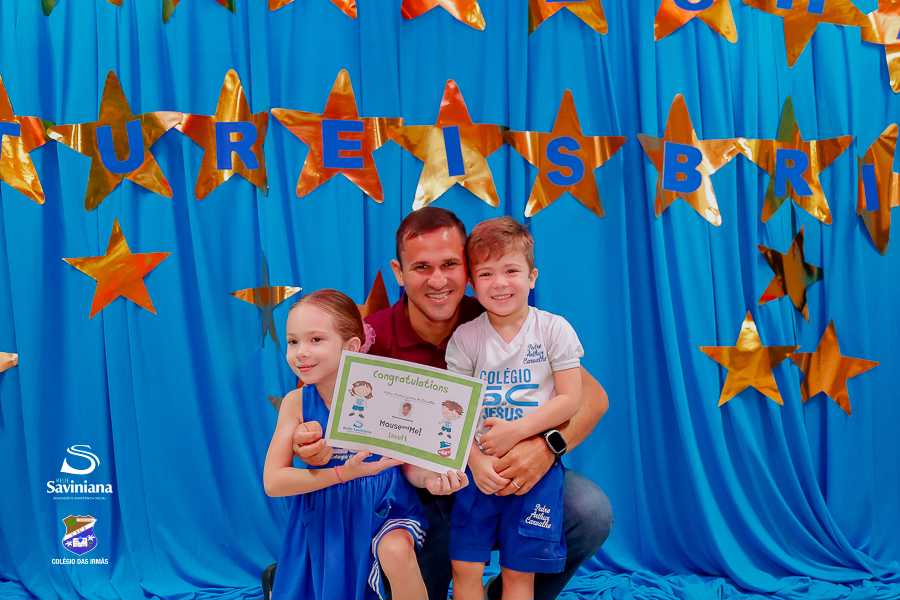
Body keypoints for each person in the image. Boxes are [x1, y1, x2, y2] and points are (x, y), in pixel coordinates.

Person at [293, 208, 613, 600]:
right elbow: (313, 406)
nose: (438, 280)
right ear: (399, 272)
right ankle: (306, 577)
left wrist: (545, 448)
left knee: (588, 510)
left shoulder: (497, 314)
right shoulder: (372, 337)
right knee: (406, 581)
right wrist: (309, 442)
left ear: (468, 269)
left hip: (493, 477)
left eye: (449, 265)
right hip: (411, 498)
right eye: (421, 267)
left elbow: (592, 399)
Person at [264, 289, 461, 600]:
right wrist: (342, 474)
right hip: (326, 514)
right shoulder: (296, 403)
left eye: (316, 340)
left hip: (385, 507)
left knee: (396, 550)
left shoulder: (386, 391)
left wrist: (431, 480)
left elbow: (405, 461)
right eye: (293, 341)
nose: (300, 352)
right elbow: (274, 482)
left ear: (351, 346)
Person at [445, 217, 583, 600]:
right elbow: (454, 412)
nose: (500, 283)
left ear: (532, 277)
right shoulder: (466, 339)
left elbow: (570, 399)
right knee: (465, 567)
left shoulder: (554, 330)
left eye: (511, 271)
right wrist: (474, 462)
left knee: (519, 572)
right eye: (486, 274)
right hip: (478, 471)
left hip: (534, 473)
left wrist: (518, 432)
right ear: (472, 284)